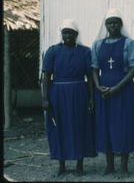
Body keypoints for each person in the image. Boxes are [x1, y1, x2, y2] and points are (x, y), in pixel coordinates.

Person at [91, 8, 134, 176]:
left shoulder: (129, 44)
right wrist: (98, 86)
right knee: (105, 125)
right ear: (106, 25)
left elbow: (133, 70)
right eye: (109, 23)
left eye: (115, 22)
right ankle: (109, 165)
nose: (112, 25)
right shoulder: (98, 45)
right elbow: (94, 68)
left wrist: (117, 88)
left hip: (123, 91)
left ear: (120, 24)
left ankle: (124, 166)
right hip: (104, 91)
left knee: (123, 126)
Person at [41, 19, 96, 176]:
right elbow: (46, 76)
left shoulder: (85, 51)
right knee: (60, 127)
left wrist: (92, 97)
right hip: (58, 94)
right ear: (61, 34)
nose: (68, 35)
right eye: (65, 32)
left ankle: (80, 165)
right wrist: (45, 98)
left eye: (71, 32)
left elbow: (90, 76)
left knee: (80, 126)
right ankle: (61, 165)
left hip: (79, 93)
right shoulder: (52, 51)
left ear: (76, 34)